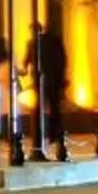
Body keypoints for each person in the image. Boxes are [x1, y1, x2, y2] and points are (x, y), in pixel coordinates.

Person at [28, 17, 69, 156]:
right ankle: (55, 134)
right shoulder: (55, 41)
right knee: (54, 108)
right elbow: (63, 60)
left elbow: (27, 60)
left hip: (41, 80)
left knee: (40, 108)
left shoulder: (34, 43)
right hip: (54, 79)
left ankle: (40, 134)